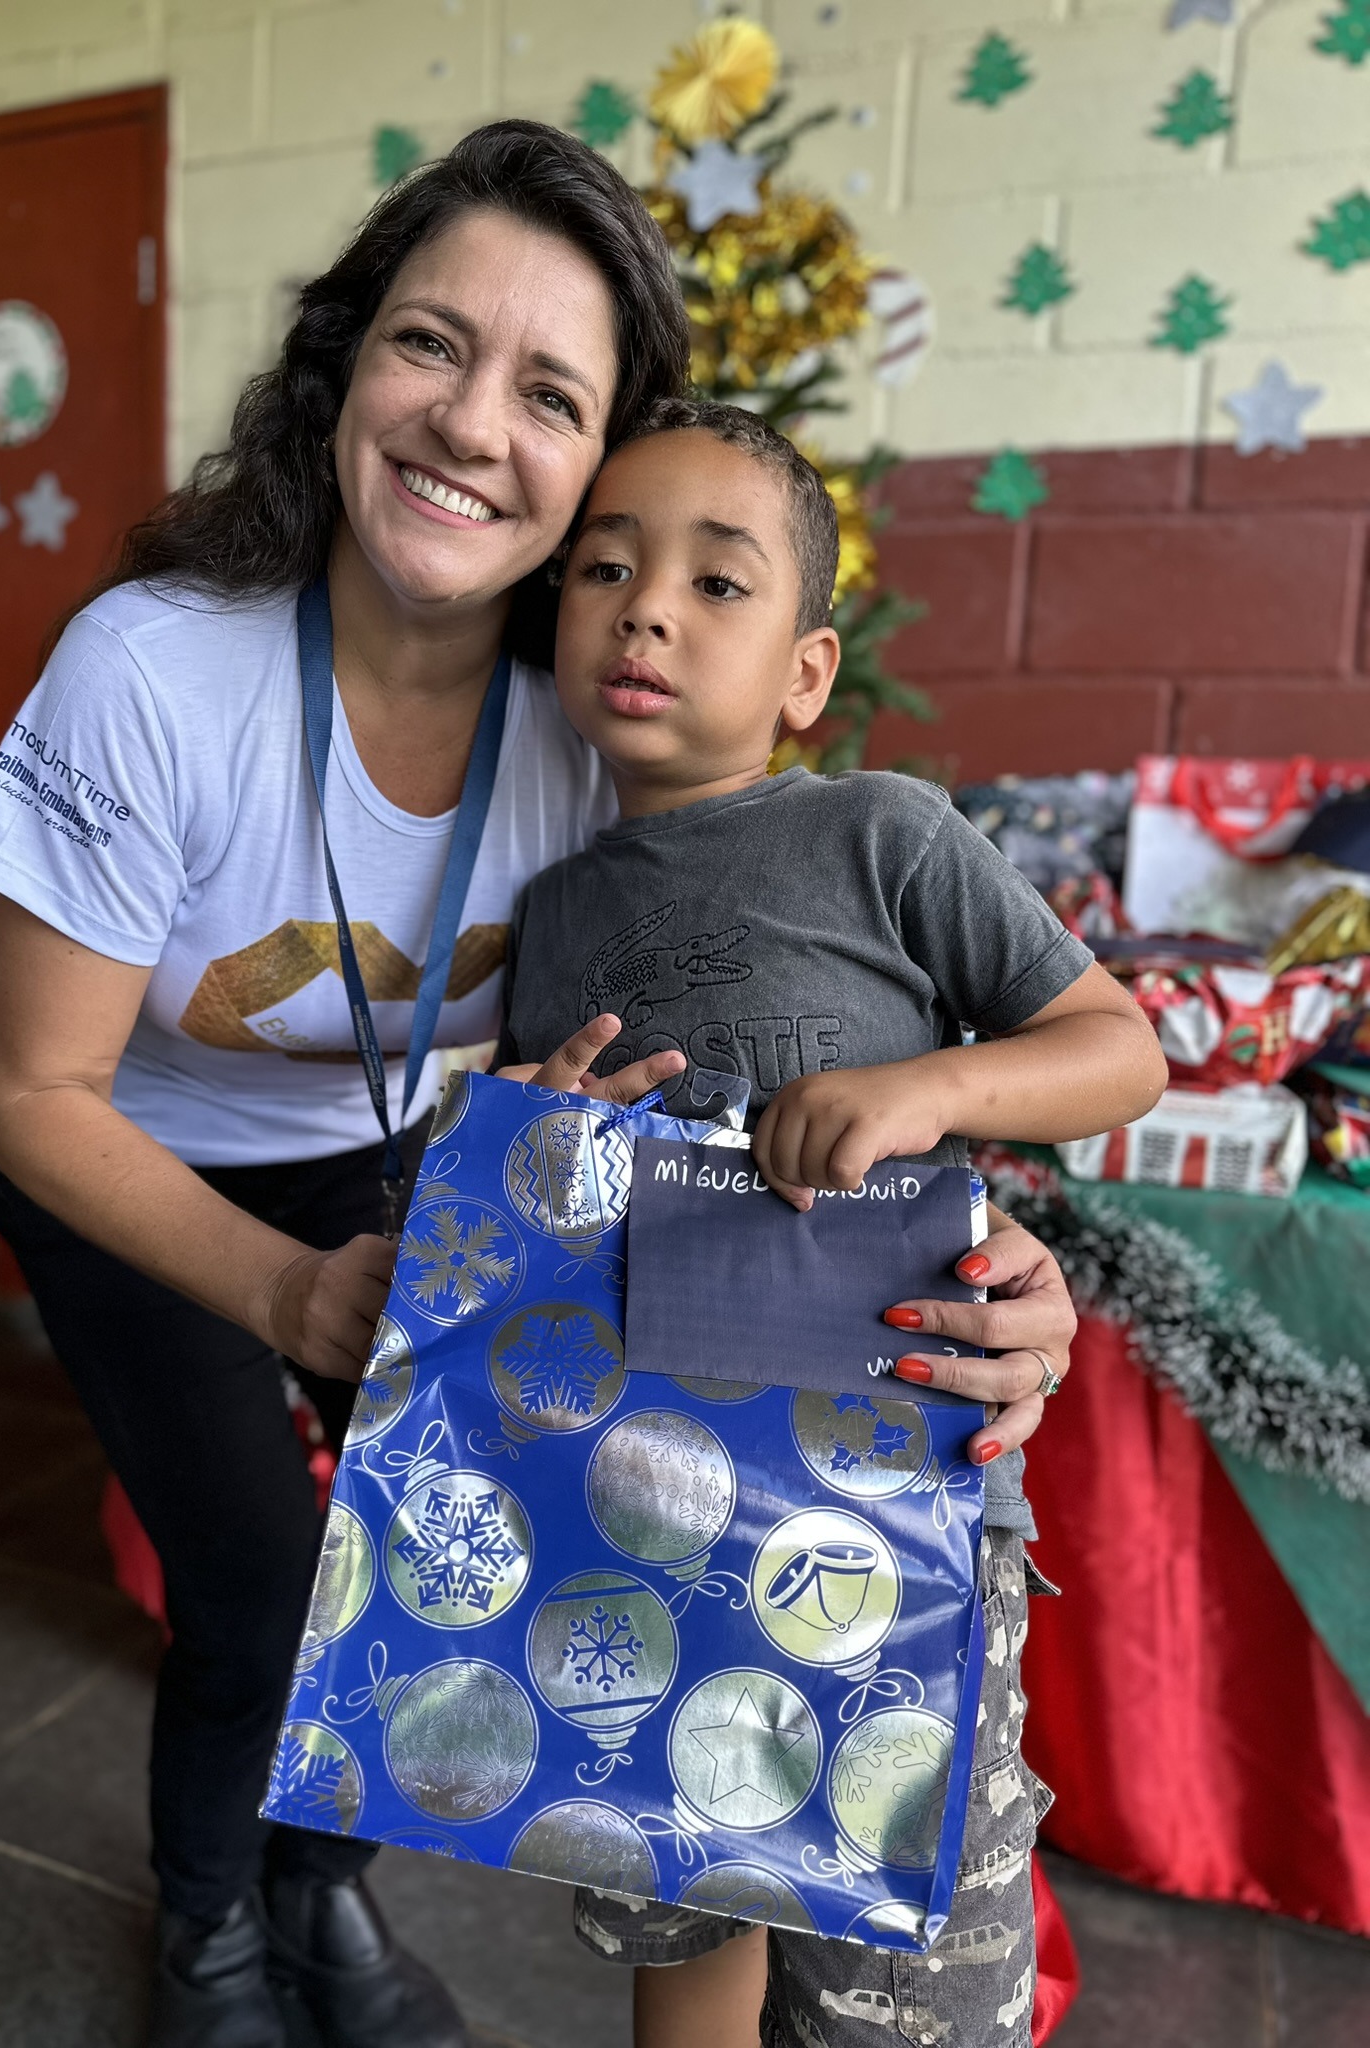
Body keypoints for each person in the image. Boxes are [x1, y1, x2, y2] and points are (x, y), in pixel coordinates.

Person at [0, 117, 1087, 2048]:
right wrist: (287, 1291)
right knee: (251, 1574)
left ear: (597, 467)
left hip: (403, 1148)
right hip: (130, 1152)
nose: (475, 423)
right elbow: (34, 1090)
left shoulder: (601, 712)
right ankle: (211, 1932)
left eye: (550, 392)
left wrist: (993, 1272)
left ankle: (320, 1906)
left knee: (410, 1558)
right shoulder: (155, 674)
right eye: (427, 346)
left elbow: (817, 1037)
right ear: (341, 371)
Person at [495, 398, 1170, 2048]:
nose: (646, 606)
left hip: (894, 1522)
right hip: (645, 1520)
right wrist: (529, 1135)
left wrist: (927, 1088)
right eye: (604, 568)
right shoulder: (551, 906)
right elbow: (522, 1229)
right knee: (690, 1923)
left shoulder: (882, 835)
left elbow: (1120, 1048)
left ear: (806, 669)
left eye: (717, 584)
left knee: (900, 1988)